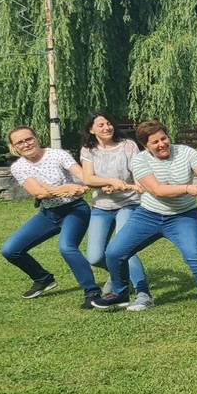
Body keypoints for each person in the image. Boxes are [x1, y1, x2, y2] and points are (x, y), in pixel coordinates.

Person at [92, 121, 197, 313]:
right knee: (114, 252)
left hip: (182, 216)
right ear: (145, 146)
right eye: (155, 142)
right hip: (148, 215)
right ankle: (120, 292)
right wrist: (186, 188)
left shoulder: (186, 152)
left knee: (195, 257)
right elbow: (158, 190)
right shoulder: (140, 160)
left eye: (164, 138)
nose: (161, 144)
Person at [0, 125, 123, 307]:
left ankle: (92, 293)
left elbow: (82, 175)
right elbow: (39, 193)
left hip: (75, 210)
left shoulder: (58, 155)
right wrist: (65, 188)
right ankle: (43, 279)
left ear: (36, 138)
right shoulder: (19, 167)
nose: (26, 144)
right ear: (14, 147)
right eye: (20, 142)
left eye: (29, 139)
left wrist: (100, 183)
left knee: (67, 247)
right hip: (48, 214)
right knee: (10, 250)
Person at [80, 111, 151, 308]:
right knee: (94, 256)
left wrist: (139, 186)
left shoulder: (128, 145)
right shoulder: (88, 149)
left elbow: (137, 172)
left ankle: (143, 292)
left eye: (109, 123)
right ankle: (118, 275)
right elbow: (88, 178)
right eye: (101, 125)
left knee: (123, 247)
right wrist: (109, 181)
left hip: (128, 203)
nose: (106, 128)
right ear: (91, 130)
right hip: (101, 206)